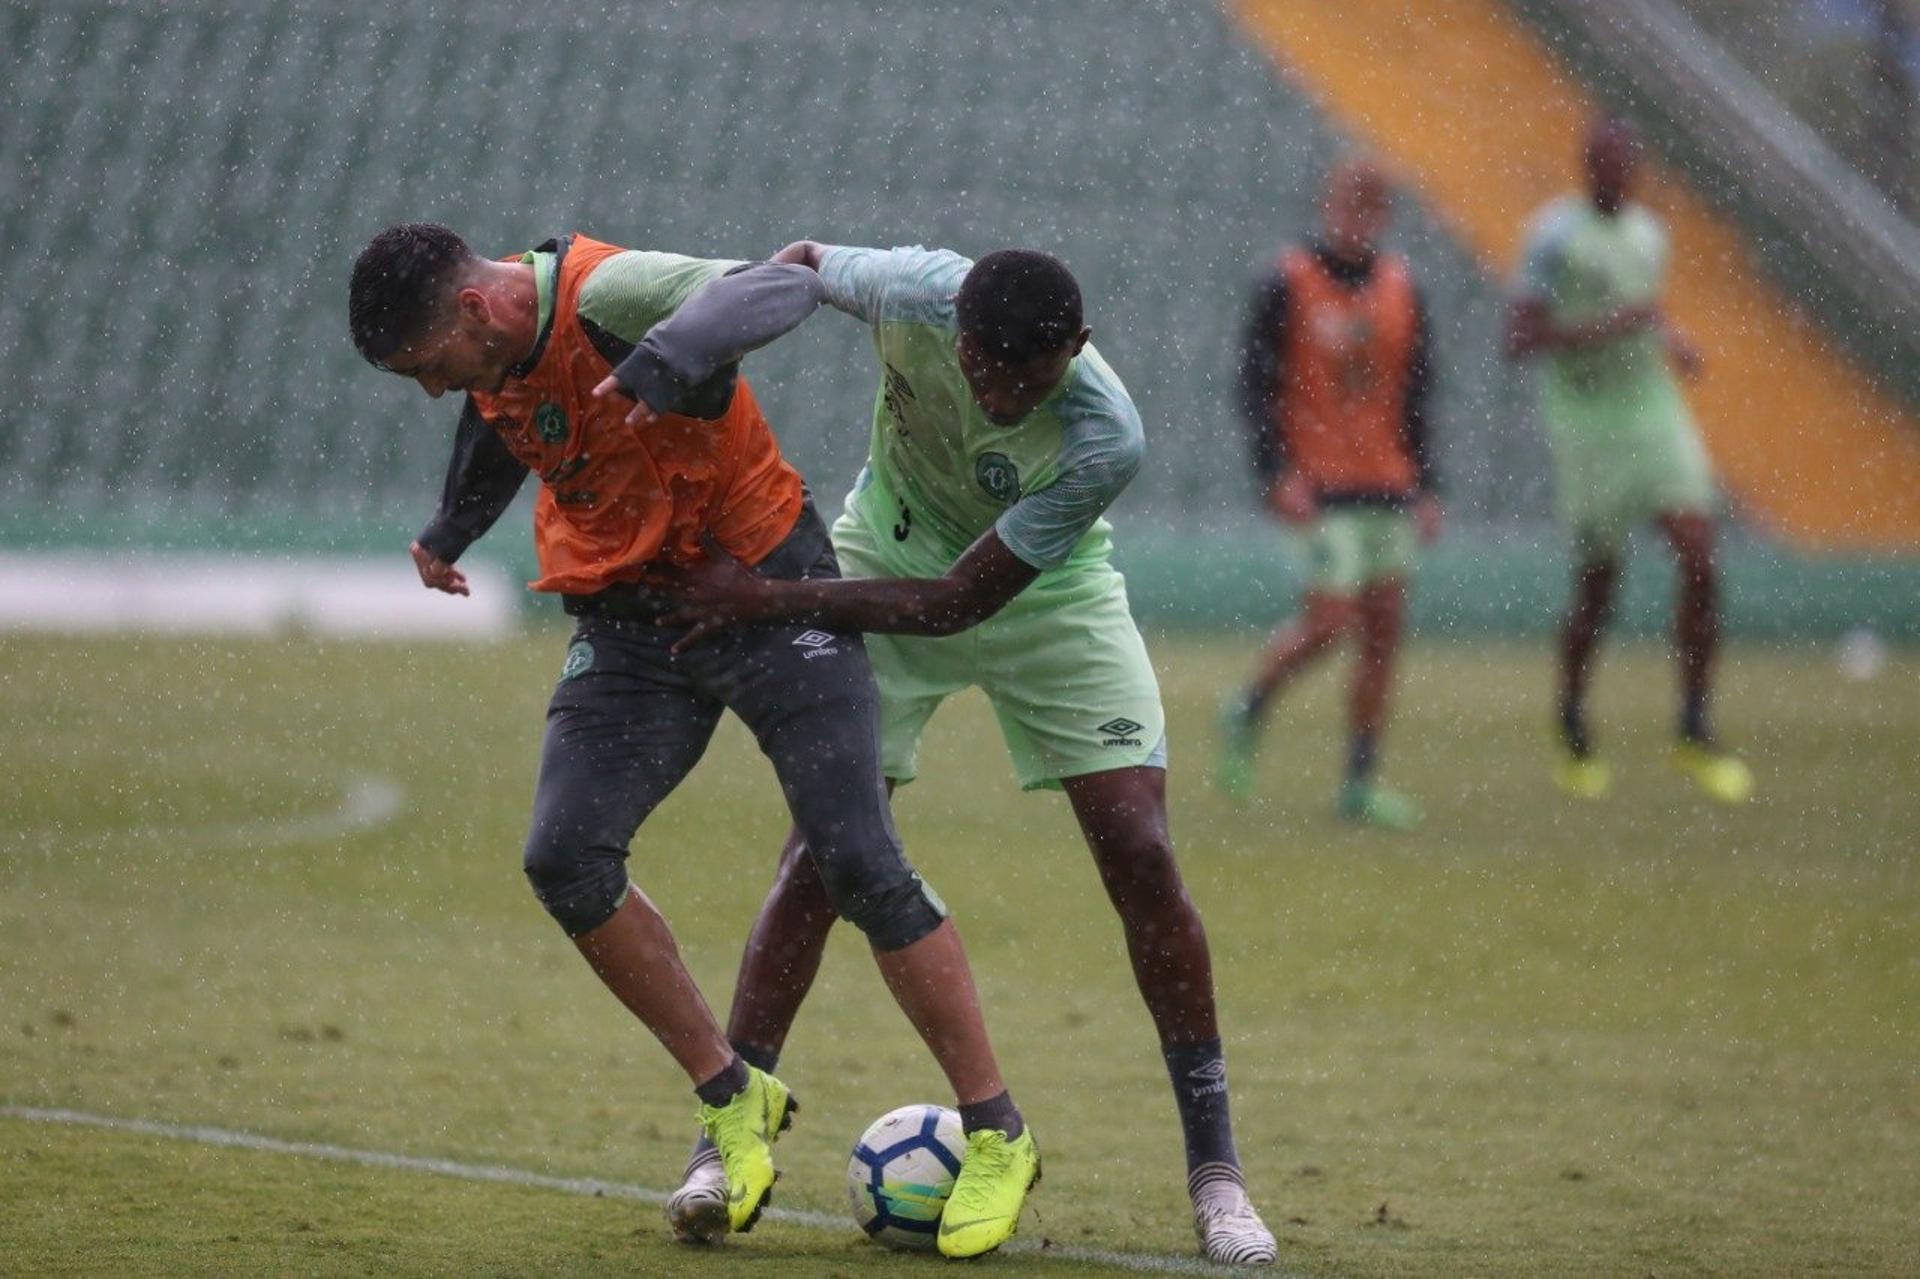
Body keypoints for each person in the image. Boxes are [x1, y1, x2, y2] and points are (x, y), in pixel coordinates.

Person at [345, 224, 1039, 1259]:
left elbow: (779, 289)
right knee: (565, 858)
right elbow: (506, 408)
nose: (435, 392)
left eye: (428, 368)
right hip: (631, 624)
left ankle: (998, 1133)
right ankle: (731, 1098)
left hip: (765, 591)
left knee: (857, 859)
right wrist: (454, 524)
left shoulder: (612, 292)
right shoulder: (498, 344)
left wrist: (672, 355)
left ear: (476, 309)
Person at [629, 242, 1278, 1266]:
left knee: (1140, 848)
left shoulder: (1108, 435)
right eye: (985, 370)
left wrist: (765, 599)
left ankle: (1217, 1177)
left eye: (1031, 377)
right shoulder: (911, 288)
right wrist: (700, 341)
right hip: (884, 548)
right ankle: (725, 1140)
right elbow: (797, 262)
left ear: (1079, 348)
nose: (1005, 393)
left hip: (1043, 595)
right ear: (956, 336)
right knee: (824, 855)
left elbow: (955, 605)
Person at [1507, 118, 1753, 804]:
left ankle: (1695, 727)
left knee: (1700, 556)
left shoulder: (1650, 234)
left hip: (1652, 410)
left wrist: (1672, 338)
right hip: (1587, 423)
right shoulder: (1553, 237)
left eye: (1628, 163)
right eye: (1607, 163)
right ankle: (1572, 720)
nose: (1619, 174)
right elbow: (1519, 337)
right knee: (1598, 588)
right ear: (1587, 166)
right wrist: (1601, 330)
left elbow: (1646, 307)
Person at [1216, 157, 1441, 829]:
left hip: (1388, 482)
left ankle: (1359, 780)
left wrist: (1429, 483)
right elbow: (1253, 385)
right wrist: (1274, 472)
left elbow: (1419, 392)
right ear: (1328, 207)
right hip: (1320, 485)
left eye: (1370, 211)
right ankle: (1250, 702)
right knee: (1331, 624)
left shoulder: (1403, 287)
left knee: (1383, 634)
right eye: (1349, 208)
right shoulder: (1287, 282)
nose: (1357, 222)